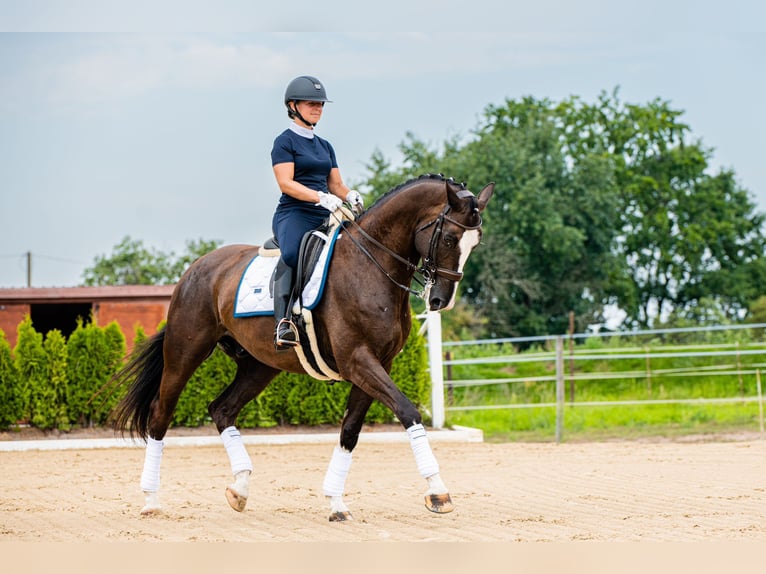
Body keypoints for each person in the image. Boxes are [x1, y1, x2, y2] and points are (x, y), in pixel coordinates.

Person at [270, 75, 363, 350]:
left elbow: (336, 185)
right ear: (293, 106)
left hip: (327, 213)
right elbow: (286, 183)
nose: (318, 109)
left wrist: (350, 195)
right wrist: (319, 197)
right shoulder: (284, 142)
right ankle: (284, 322)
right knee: (290, 254)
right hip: (295, 213)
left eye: (321, 104)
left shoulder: (325, 146)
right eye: (312, 103)